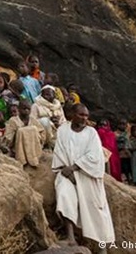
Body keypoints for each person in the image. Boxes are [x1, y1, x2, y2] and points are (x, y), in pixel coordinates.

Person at [52, 103, 115, 249]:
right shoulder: (63, 130)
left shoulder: (91, 133)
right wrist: (67, 171)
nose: (84, 118)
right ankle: (70, 237)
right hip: (67, 173)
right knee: (64, 193)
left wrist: (74, 168)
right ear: (72, 114)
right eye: (81, 115)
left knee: (96, 206)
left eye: (86, 116)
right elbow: (59, 151)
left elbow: (95, 157)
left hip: (87, 174)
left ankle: (102, 246)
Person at [2, 100, 46, 167]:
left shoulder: (33, 120)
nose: (26, 111)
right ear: (19, 109)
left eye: (28, 109)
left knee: (33, 129)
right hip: (18, 148)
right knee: (21, 131)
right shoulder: (13, 121)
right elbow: (8, 137)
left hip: (33, 147)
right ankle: (22, 160)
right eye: (24, 108)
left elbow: (42, 132)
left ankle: (35, 158)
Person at [116, 119, 131, 183]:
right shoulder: (115, 134)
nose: (122, 126)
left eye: (124, 124)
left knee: (129, 167)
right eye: (121, 124)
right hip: (120, 154)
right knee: (122, 167)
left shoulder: (129, 134)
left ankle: (129, 179)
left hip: (129, 154)